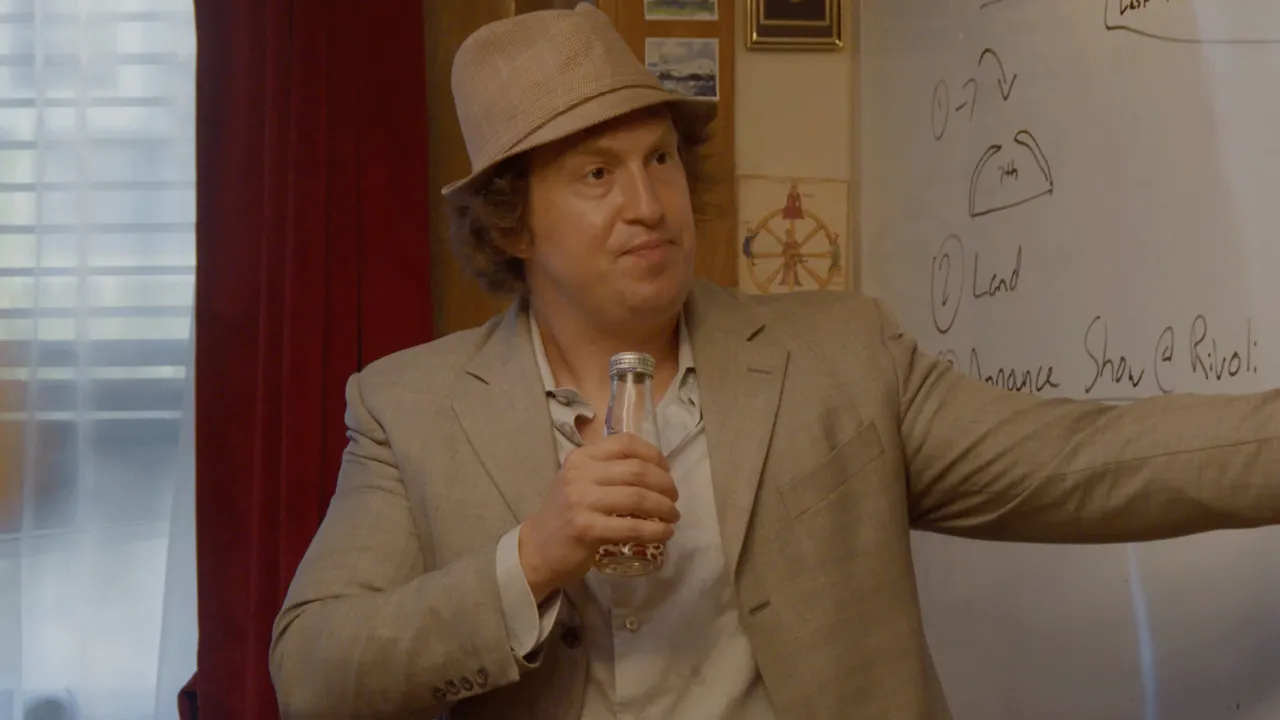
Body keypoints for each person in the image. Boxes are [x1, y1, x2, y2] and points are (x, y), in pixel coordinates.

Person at [268, 5, 1280, 719]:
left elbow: (1090, 461)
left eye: (659, 158)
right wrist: (531, 559)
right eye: (595, 174)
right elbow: (311, 671)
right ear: (512, 225)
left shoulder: (843, 355)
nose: (647, 203)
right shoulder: (407, 408)